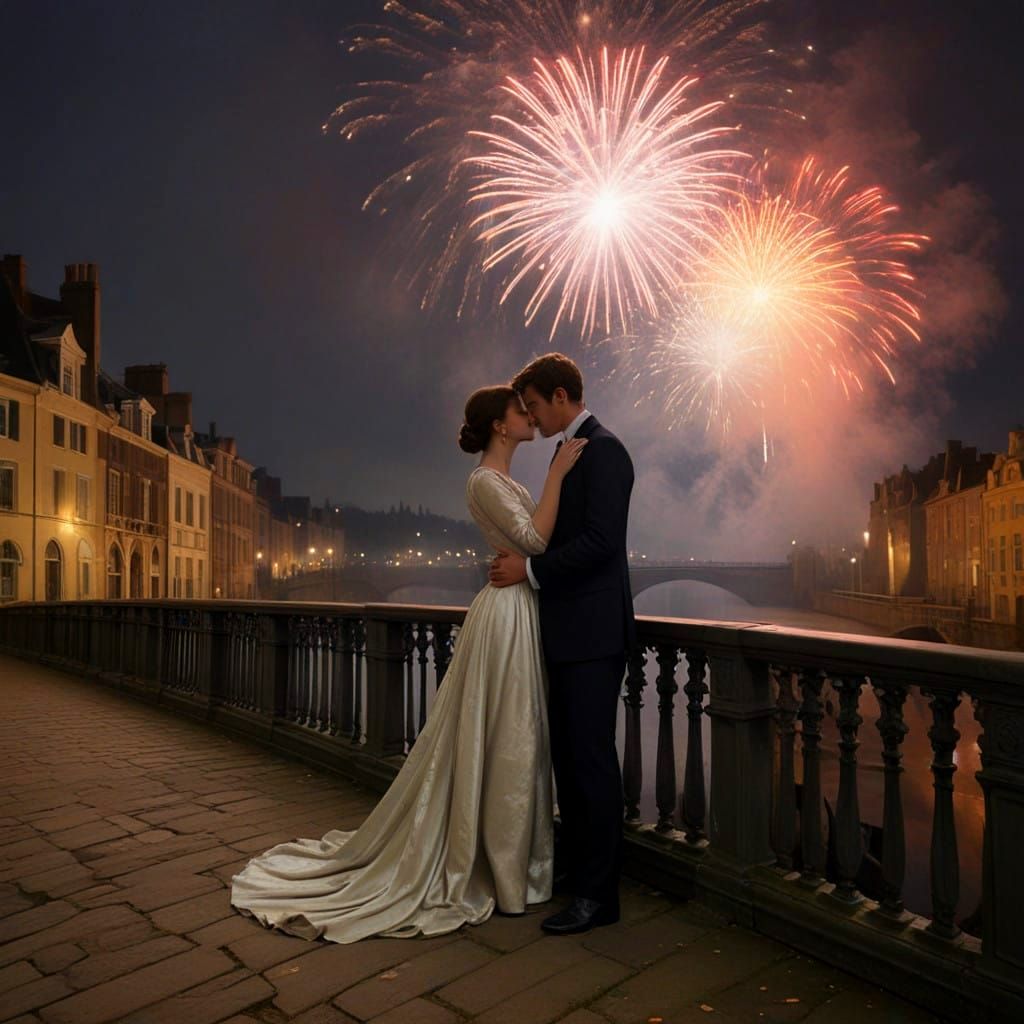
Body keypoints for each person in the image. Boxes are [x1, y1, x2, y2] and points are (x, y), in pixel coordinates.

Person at [230, 385, 586, 943]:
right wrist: (559, 477)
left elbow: (536, 543)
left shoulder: (507, 482)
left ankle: (516, 859)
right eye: (522, 411)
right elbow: (537, 538)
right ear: (500, 424)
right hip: (507, 615)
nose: (530, 418)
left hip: (520, 608)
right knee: (509, 731)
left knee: (516, 735)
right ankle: (504, 865)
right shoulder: (485, 482)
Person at [490, 352, 636, 936]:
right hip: (569, 633)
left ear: (558, 396)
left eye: (532, 407)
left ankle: (600, 898)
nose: (531, 418)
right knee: (571, 763)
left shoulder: (606, 450)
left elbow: (602, 542)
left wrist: (529, 571)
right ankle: (580, 879)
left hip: (595, 636)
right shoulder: (568, 451)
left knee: (591, 764)